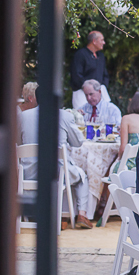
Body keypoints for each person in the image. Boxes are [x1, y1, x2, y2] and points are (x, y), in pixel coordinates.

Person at [19, 85, 93, 229]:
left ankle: (36, 215)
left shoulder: (24, 116)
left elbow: (18, 141)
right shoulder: (65, 116)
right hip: (57, 173)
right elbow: (78, 142)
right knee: (81, 177)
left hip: (29, 173)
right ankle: (81, 214)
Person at [70, 31, 111, 109]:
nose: (104, 42)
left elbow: (104, 74)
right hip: (82, 94)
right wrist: (88, 89)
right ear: (94, 41)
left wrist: (100, 88)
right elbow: (76, 75)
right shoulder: (80, 55)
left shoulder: (101, 56)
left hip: (99, 93)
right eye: (102, 40)